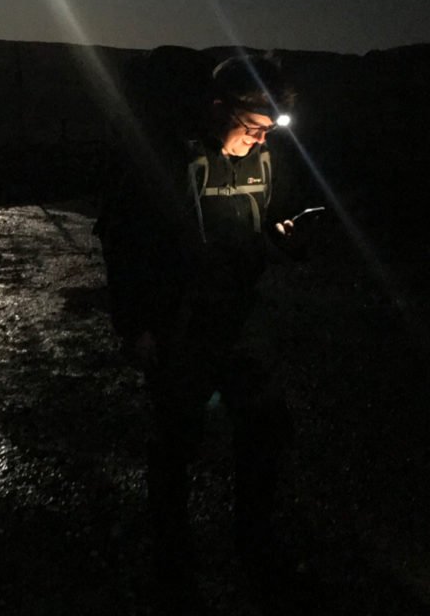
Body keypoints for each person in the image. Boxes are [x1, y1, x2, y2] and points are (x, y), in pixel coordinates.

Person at [96, 45, 307, 610]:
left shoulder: (262, 157)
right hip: (180, 324)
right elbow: (123, 241)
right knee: (175, 441)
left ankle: (253, 536)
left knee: (264, 429)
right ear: (217, 108)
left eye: (270, 130)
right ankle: (171, 556)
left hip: (241, 319)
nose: (262, 139)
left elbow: (264, 220)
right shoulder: (165, 159)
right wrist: (136, 324)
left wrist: (280, 238)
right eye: (253, 127)